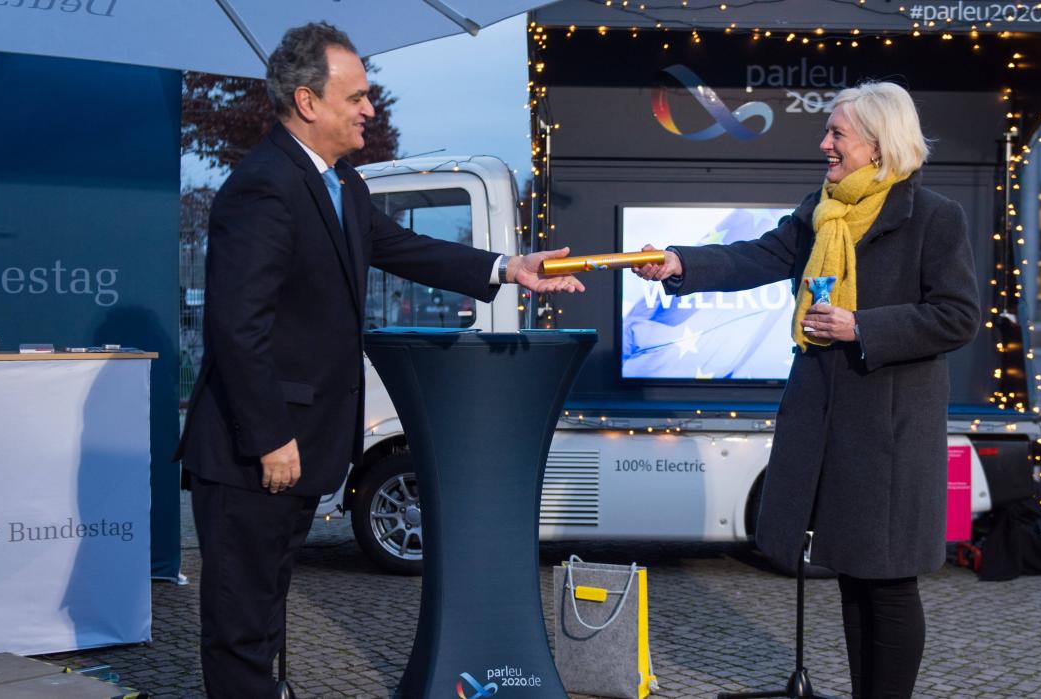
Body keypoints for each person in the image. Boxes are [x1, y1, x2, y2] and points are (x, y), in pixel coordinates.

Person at [173, 22, 583, 698]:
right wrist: (272, 434)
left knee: (267, 614)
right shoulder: (263, 187)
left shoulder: (343, 186)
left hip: (300, 447)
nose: (371, 108)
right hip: (256, 451)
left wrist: (509, 268)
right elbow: (236, 327)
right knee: (240, 624)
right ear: (308, 101)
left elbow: (405, 249)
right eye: (357, 96)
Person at [635, 81, 980, 699]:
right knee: (851, 573)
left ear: (877, 145)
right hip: (830, 426)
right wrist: (680, 263)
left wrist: (861, 326)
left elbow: (957, 316)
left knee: (891, 582)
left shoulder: (934, 217)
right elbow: (757, 257)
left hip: (893, 437)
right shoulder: (821, 210)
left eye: (836, 133)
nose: (824, 144)